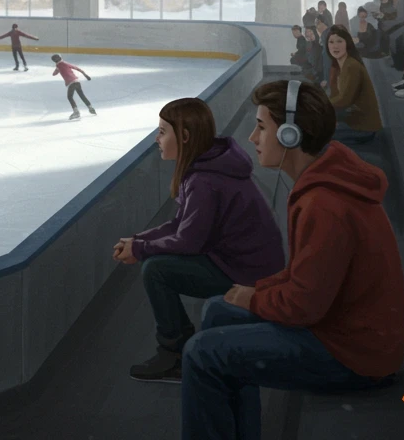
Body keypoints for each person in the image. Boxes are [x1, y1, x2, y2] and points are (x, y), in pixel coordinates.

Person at [181, 80, 404, 440]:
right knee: (216, 310)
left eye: (261, 127)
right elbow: (308, 277)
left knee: (201, 354)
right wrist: (260, 289)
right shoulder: (323, 180)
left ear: (290, 134)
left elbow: (304, 306)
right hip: (346, 330)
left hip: (354, 355)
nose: (252, 138)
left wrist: (255, 298)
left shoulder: (323, 204)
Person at [114, 98, 283, 383]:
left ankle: (174, 355)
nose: (157, 138)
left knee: (156, 270)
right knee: (155, 261)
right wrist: (138, 240)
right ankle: (177, 350)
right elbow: (182, 223)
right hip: (244, 264)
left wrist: (141, 249)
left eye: (162, 131)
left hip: (249, 275)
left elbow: (189, 241)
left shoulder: (204, 180)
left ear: (184, 136)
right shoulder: (208, 164)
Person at [325, 25, 382, 144]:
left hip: (363, 127)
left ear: (348, 44)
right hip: (351, 119)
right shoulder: (336, 66)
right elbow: (334, 95)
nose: (335, 46)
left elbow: (344, 100)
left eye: (339, 41)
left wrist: (319, 105)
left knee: (318, 137)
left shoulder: (351, 66)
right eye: (331, 42)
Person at [50, 54, 95, 120]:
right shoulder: (64, 63)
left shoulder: (59, 65)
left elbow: (54, 74)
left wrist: (57, 69)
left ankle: (76, 112)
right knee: (82, 95)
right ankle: (90, 108)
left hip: (71, 83)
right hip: (77, 81)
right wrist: (85, 75)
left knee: (70, 97)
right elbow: (77, 68)